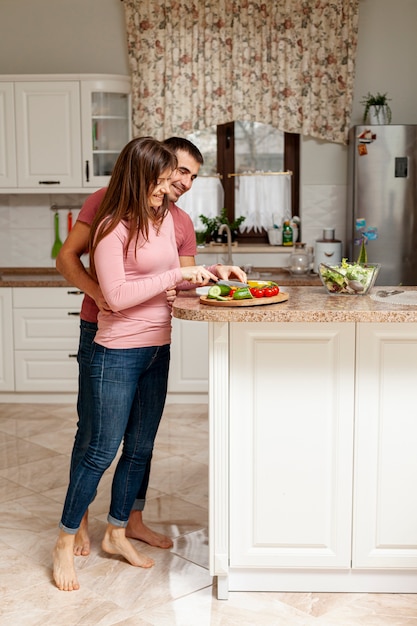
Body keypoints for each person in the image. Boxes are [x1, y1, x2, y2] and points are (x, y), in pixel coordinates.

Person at [56, 137, 246, 558]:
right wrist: (100, 293)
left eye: (192, 177)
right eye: (177, 172)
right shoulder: (107, 207)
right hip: (108, 334)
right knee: (95, 441)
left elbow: (178, 279)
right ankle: (76, 523)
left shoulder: (173, 221)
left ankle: (124, 524)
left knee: (139, 444)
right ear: (153, 168)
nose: (182, 183)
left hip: (155, 340)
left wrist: (214, 273)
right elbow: (77, 262)